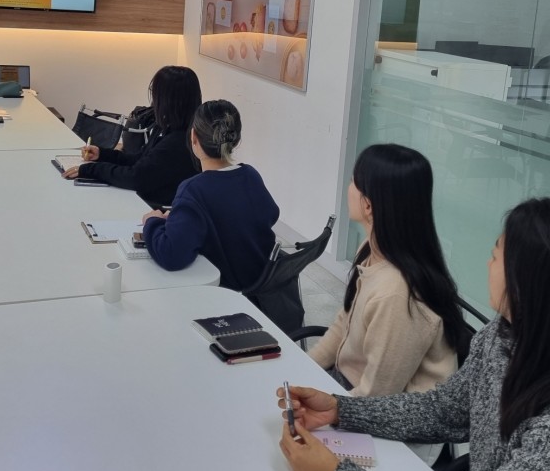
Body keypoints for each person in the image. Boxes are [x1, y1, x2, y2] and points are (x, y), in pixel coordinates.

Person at [277, 197, 550, 471]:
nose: (488, 263)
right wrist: (342, 409)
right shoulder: (504, 336)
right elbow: (446, 410)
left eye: (496, 255)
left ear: (532, 283)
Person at [309, 145, 464, 401]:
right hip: (350, 389)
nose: (348, 186)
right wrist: (301, 369)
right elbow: (343, 324)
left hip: (383, 414)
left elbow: (377, 397)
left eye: (353, 181)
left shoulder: (397, 294)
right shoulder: (371, 250)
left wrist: (322, 407)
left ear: (368, 205)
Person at [142, 99, 278, 290]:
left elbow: (171, 255)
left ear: (193, 137)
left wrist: (152, 222)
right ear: (236, 139)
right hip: (259, 279)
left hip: (226, 289)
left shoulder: (193, 190)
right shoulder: (250, 174)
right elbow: (271, 213)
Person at [62, 66, 202, 207]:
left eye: (155, 93)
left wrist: (90, 170)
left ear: (167, 99)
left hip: (153, 208)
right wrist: (102, 154)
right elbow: (139, 159)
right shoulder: (165, 128)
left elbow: (135, 177)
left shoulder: (178, 142)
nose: (153, 100)